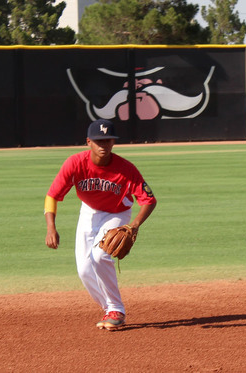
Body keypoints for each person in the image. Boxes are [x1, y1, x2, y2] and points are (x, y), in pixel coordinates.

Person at [44, 119, 157, 330]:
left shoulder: (126, 168)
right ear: (88, 142)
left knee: (100, 256)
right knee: (85, 270)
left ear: (113, 142)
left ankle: (116, 308)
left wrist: (133, 226)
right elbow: (52, 196)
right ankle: (110, 309)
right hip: (89, 211)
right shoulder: (75, 163)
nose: (103, 145)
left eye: (108, 140)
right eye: (98, 141)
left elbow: (149, 200)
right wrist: (51, 227)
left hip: (117, 213)